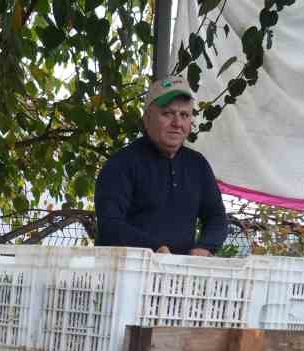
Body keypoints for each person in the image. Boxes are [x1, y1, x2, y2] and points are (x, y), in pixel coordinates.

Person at [95, 76, 228, 256]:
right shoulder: (121, 165)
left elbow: (216, 217)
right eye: (168, 114)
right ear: (147, 118)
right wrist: (153, 248)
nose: (177, 123)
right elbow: (109, 225)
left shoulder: (198, 166)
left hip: (179, 277)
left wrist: (205, 246)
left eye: (184, 115)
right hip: (125, 273)